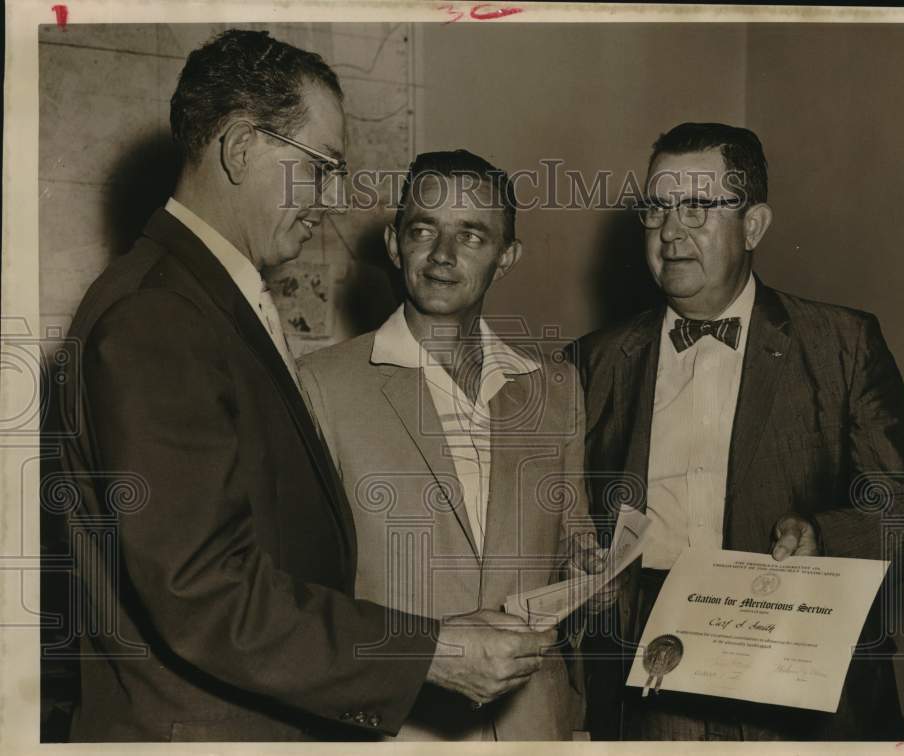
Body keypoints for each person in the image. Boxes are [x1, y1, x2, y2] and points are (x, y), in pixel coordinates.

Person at [58, 31, 554, 743]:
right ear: (238, 148)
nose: (329, 197)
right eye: (320, 167)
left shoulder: (197, 297)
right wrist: (432, 650)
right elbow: (204, 592)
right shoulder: (158, 316)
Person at [574, 122, 904, 741]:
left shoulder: (843, 344)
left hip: (804, 700)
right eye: (657, 209)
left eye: (697, 207)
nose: (671, 232)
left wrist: (824, 536)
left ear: (753, 226)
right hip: (651, 698)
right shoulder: (591, 363)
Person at [298, 149, 607, 740]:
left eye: (472, 235)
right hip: (399, 731)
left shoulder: (557, 387)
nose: (443, 256)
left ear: (507, 257)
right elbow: (307, 598)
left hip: (534, 727)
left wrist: (593, 580)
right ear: (394, 245)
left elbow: (574, 541)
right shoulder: (322, 386)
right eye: (424, 230)